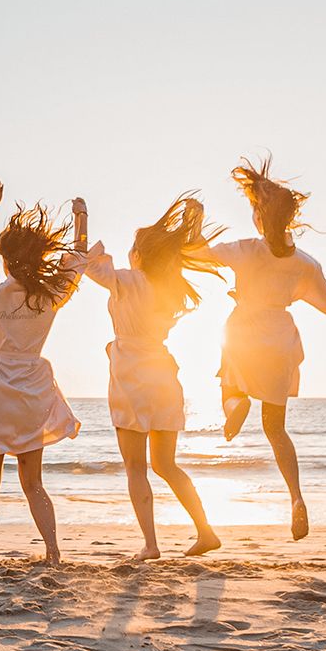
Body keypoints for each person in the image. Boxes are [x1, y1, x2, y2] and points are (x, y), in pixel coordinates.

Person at [205, 156, 326, 540]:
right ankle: (296, 497)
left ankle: (235, 405)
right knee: (276, 428)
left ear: (258, 216)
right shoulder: (304, 263)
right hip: (280, 338)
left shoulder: (246, 249)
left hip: (244, 331)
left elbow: (202, 255)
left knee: (231, 388)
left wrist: (187, 233)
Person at [80, 194, 225, 558]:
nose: (129, 252)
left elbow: (82, 260)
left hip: (131, 377)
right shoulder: (168, 288)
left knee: (135, 467)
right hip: (162, 374)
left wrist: (81, 216)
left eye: (132, 248)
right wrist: (194, 221)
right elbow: (183, 253)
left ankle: (150, 544)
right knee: (165, 464)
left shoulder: (128, 281)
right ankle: (205, 531)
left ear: (140, 255)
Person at [0, 185, 82, 565]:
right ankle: (52, 551)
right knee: (33, 482)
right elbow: (77, 259)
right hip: (32, 386)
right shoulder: (49, 297)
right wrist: (81, 219)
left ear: (7, 262)